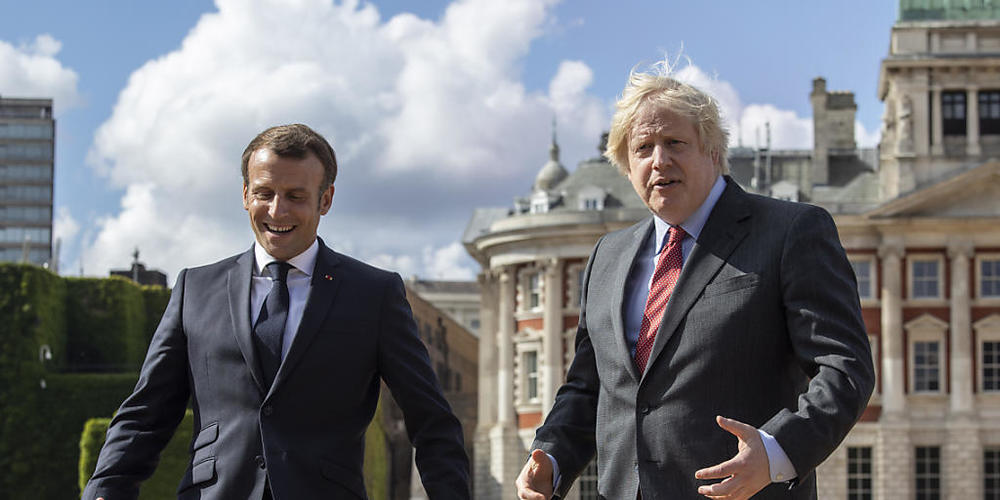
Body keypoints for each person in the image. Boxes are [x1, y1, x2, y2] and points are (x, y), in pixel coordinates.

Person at [515, 62, 875, 499]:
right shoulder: (606, 258)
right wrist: (550, 457)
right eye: (642, 148)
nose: (659, 160)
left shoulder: (791, 231)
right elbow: (589, 388)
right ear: (626, 167)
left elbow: (845, 367)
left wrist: (780, 449)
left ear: (712, 150)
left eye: (675, 143)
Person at [83, 124, 470, 499]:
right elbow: (146, 412)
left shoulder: (374, 295)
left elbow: (431, 420)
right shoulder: (194, 290)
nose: (276, 210)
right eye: (264, 193)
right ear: (245, 194)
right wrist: (105, 490)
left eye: (295, 196)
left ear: (326, 199)